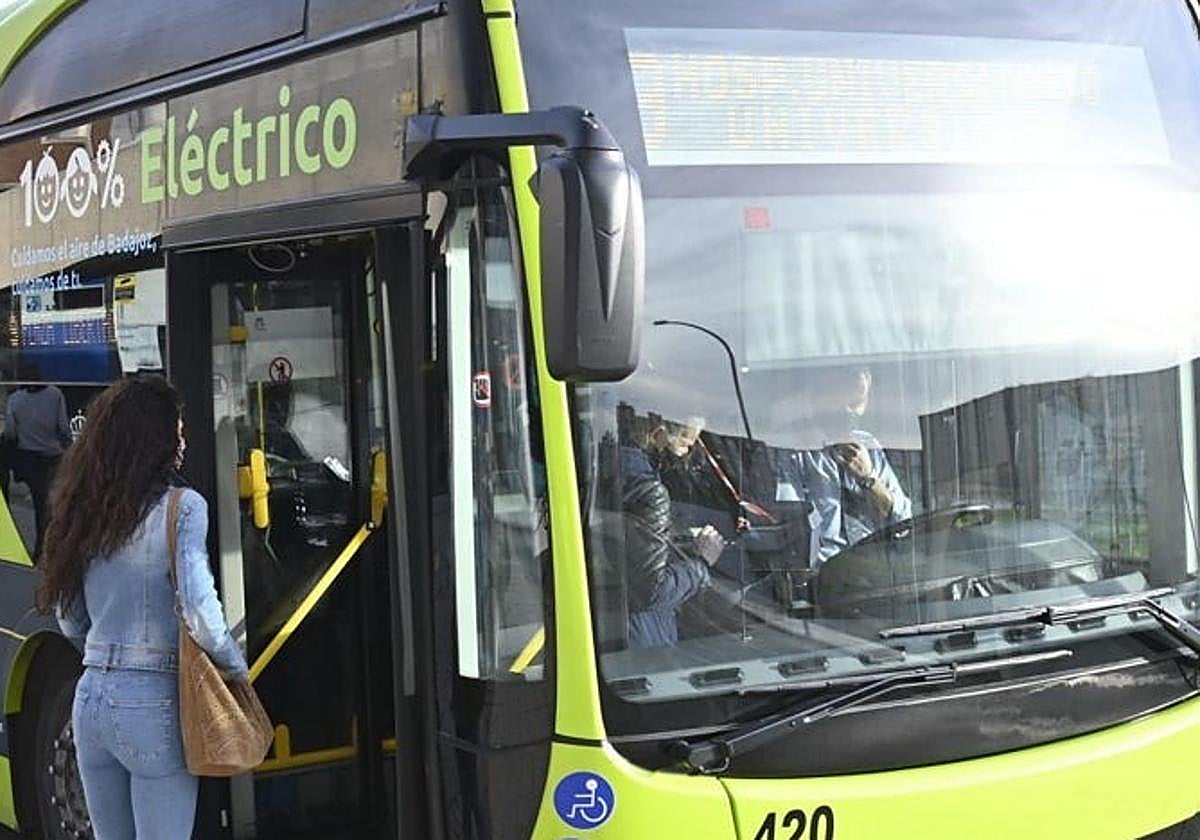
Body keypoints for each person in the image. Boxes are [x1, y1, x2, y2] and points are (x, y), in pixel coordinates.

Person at [35, 377, 248, 840]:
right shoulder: (183, 508)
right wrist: (235, 666)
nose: (183, 442)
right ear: (155, 440)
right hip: (154, 703)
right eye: (177, 431)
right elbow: (199, 609)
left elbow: (69, 617)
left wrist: (106, 654)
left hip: (89, 700)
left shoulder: (84, 511)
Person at [618, 413, 725, 647]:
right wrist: (701, 563)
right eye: (686, 441)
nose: (688, 451)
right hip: (642, 638)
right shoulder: (648, 491)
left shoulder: (606, 466)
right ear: (660, 432)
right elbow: (650, 592)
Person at [795, 367, 912, 563]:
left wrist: (868, 478)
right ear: (818, 398)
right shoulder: (791, 450)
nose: (849, 411)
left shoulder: (868, 445)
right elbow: (788, 532)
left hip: (874, 567)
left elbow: (902, 523)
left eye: (857, 403)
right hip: (821, 573)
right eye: (841, 400)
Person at [4, 363, 72, 556]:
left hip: (30, 458)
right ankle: (52, 547)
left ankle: (41, 549)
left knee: (39, 503)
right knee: (53, 503)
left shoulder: (15, 400)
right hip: (53, 455)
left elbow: (10, 433)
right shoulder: (55, 394)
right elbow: (63, 428)